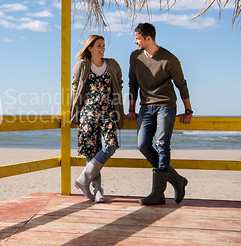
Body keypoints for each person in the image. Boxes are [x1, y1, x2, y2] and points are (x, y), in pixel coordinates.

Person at [127, 23, 192, 205]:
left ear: (149, 38)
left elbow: (181, 85)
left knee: (162, 144)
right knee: (143, 144)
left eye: (137, 38)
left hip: (165, 105)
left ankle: (158, 193)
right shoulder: (135, 56)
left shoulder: (169, 59)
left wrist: (188, 111)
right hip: (145, 107)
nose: (135, 42)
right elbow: (133, 84)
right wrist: (131, 110)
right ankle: (177, 180)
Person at [71, 34, 124, 203]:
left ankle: (83, 179)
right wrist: (72, 112)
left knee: (111, 146)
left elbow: (119, 85)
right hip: (88, 112)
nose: (102, 48)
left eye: (103, 45)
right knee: (91, 151)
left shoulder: (112, 64)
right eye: (99, 45)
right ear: (90, 48)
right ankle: (98, 190)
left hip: (109, 112)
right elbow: (75, 89)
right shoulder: (82, 65)